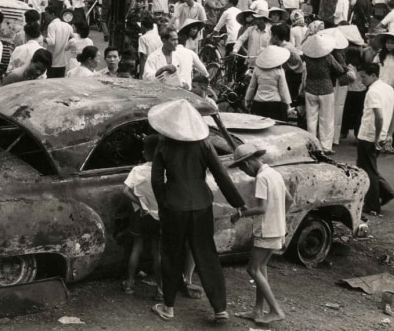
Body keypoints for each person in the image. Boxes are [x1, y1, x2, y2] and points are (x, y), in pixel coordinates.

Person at [149, 99, 247, 324]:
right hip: (202, 204)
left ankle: (168, 307)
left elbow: (156, 181)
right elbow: (221, 175)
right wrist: (238, 202)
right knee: (207, 254)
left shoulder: (164, 145)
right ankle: (220, 309)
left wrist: (164, 202)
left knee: (172, 255)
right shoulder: (204, 144)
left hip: (174, 206)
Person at [229, 144, 292, 325]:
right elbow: (289, 200)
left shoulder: (262, 178)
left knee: (252, 269)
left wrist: (240, 214)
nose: (244, 171)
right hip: (277, 228)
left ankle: (275, 310)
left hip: (266, 230)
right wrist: (279, 217)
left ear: (248, 163)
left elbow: (262, 208)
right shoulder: (275, 174)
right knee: (261, 268)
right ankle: (258, 309)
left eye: (242, 167)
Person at [122, 135, 162, 298]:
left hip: (141, 214)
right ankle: (160, 290)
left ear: (146, 153)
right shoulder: (164, 170)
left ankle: (129, 284)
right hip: (159, 215)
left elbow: (124, 190)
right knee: (157, 252)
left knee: (136, 247)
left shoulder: (137, 170)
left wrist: (139, 201)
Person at [356, 63, 394, 216]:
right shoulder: (387, 88)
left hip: (368, 135)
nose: (361, 80)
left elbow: (379, 116)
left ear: (373, 75)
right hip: (379, 135)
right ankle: (386, 192)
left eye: (364, 77)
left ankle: (373, 205)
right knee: (369, 167)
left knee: (367, 170)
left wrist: (376, 137)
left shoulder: (373, 91)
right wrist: (388, 135)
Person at [301, 33, 345, 154]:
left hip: (310, 89)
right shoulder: (328, 57)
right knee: (327, 119)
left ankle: (312, 146)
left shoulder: (306, 57)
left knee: (311, 119)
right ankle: (326, 147)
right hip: (326, 89)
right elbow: (340, 70)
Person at [371, 32, 394, 153]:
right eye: (387, 42)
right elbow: (373, 70)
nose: (389, 45)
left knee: (392, 115)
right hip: (379, 88)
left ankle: (389, 142)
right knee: (379, 114)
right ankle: (376, 141)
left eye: (392, 43)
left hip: (392, 89)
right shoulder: (379, 55)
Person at [244, 45, 292, 121]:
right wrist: (288, 105)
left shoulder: (257, 70)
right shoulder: (279, 71)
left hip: (258, 103)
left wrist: (247, 100)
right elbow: (283, 90)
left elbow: (251, 87)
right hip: (275, 105)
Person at [44, 3, 73, 78]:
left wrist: (42, 38)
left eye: (47, 15)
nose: (45, 17)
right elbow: (73, 38)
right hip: (63, 61)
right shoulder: (67, 26)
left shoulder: (52, 26)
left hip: (52, 60)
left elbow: (51, 42)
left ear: (52, 14)